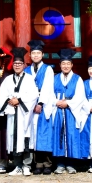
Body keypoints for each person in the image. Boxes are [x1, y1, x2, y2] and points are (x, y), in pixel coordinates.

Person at [0, 47, 39, 176]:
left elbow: (33, 95)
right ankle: (17, 165)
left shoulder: (29, 79)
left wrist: (19, 100)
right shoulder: (8, 79)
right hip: (12, 113)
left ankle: (27, 165)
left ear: (24, 65)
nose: (17, 66)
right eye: (15, 63)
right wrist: (10, 101)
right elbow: (1, 97)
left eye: (20, 63)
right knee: (13, 139)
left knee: (26, 137)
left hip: (24, 114)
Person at [51, 49, 87, 174]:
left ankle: (71, 164)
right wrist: (56, 102)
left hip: (71, 111)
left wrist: (68, 103)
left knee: (71, 135)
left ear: (72, 65)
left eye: (68, 64)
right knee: (58, 135)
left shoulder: (77, 79)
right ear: (60, 65)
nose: (65, 66)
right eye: (63, 64)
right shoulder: (55, 78)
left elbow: (80, 96)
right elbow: (49, 94)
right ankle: (60, 163)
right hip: (58, 111)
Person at [25, 40, 56, 175]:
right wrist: (31, 103)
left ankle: (47, 163)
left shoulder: (48, 69)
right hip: (30, 104)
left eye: (38, 53)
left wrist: (40, 103)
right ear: (30, 55)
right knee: (33, 135)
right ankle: (37, 163)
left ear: (42, 54)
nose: (36, 55)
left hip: (44, 104)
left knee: (44, 134)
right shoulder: (27, 70)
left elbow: (47, 87)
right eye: (33, 53)